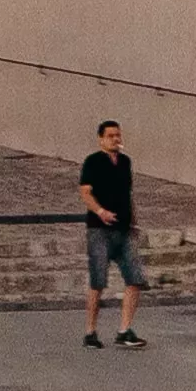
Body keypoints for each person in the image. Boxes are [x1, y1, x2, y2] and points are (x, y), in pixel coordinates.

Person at [78, 116, 145, 348]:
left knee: (135, 278)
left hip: (124, 230)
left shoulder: (126, 162)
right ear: (101, 139)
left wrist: (134, 222)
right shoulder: (93, 162)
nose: (116, 139)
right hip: (100, 230)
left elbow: (129, 194)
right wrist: (100, 211)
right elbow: (85, 192)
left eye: (118, 135)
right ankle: (90, 331)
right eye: (111, 136)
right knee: (98, 281)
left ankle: (125, 329)